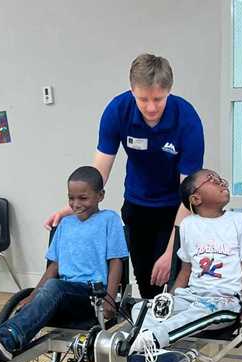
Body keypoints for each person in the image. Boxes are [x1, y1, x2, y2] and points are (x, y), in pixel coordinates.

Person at [44, 54, 204, 298]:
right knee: (146, 280)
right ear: (132, 91)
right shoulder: (118, 111)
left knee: (172, 278)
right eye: (143, 99)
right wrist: (73, 207)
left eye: (158, 99)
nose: (151, 107)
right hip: (137, 205)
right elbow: (98, 173)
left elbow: (189, 193)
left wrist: (171, 251)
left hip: (176, 207)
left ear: (169, 91)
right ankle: (147, 317)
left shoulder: (187, 119)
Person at [0, 166, 128, 362]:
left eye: (83, 198)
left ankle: (8, 338)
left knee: (55, 287)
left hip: (92, 296)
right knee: (51, 289)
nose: (76, 204)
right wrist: (32, 296)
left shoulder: (109, 219)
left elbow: (116, 261)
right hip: (63, 293)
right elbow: (54, 267)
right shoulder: (65, 224)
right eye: (71, 198)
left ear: (100, 195)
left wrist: (109, 299)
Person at [127, 169, 242, 362]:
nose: (221, 182)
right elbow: (185, 271)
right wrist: (169, 300)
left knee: (197, 313)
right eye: (212, 180)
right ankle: (153, 349)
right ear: (196, 198)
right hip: (191, 296)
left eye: (220, 178)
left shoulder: (239, 221)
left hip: (224, 300)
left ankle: (150, 341)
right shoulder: (188, 225)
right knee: (143, 308)